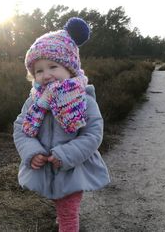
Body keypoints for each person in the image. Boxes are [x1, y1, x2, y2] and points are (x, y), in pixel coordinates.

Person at [13, 17, 110, 232]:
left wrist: (65, 155)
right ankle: (63, 215)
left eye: (53, 66)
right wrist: (32, 152)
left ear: (70, 68)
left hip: (72, 166)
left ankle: (66, 222)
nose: (46, 75)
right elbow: (21, 129)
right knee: (60, 203)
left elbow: (93, 134)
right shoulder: (35, 101)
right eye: (39, 70)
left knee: (68, 212)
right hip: (47, 165)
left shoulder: (84, 100)